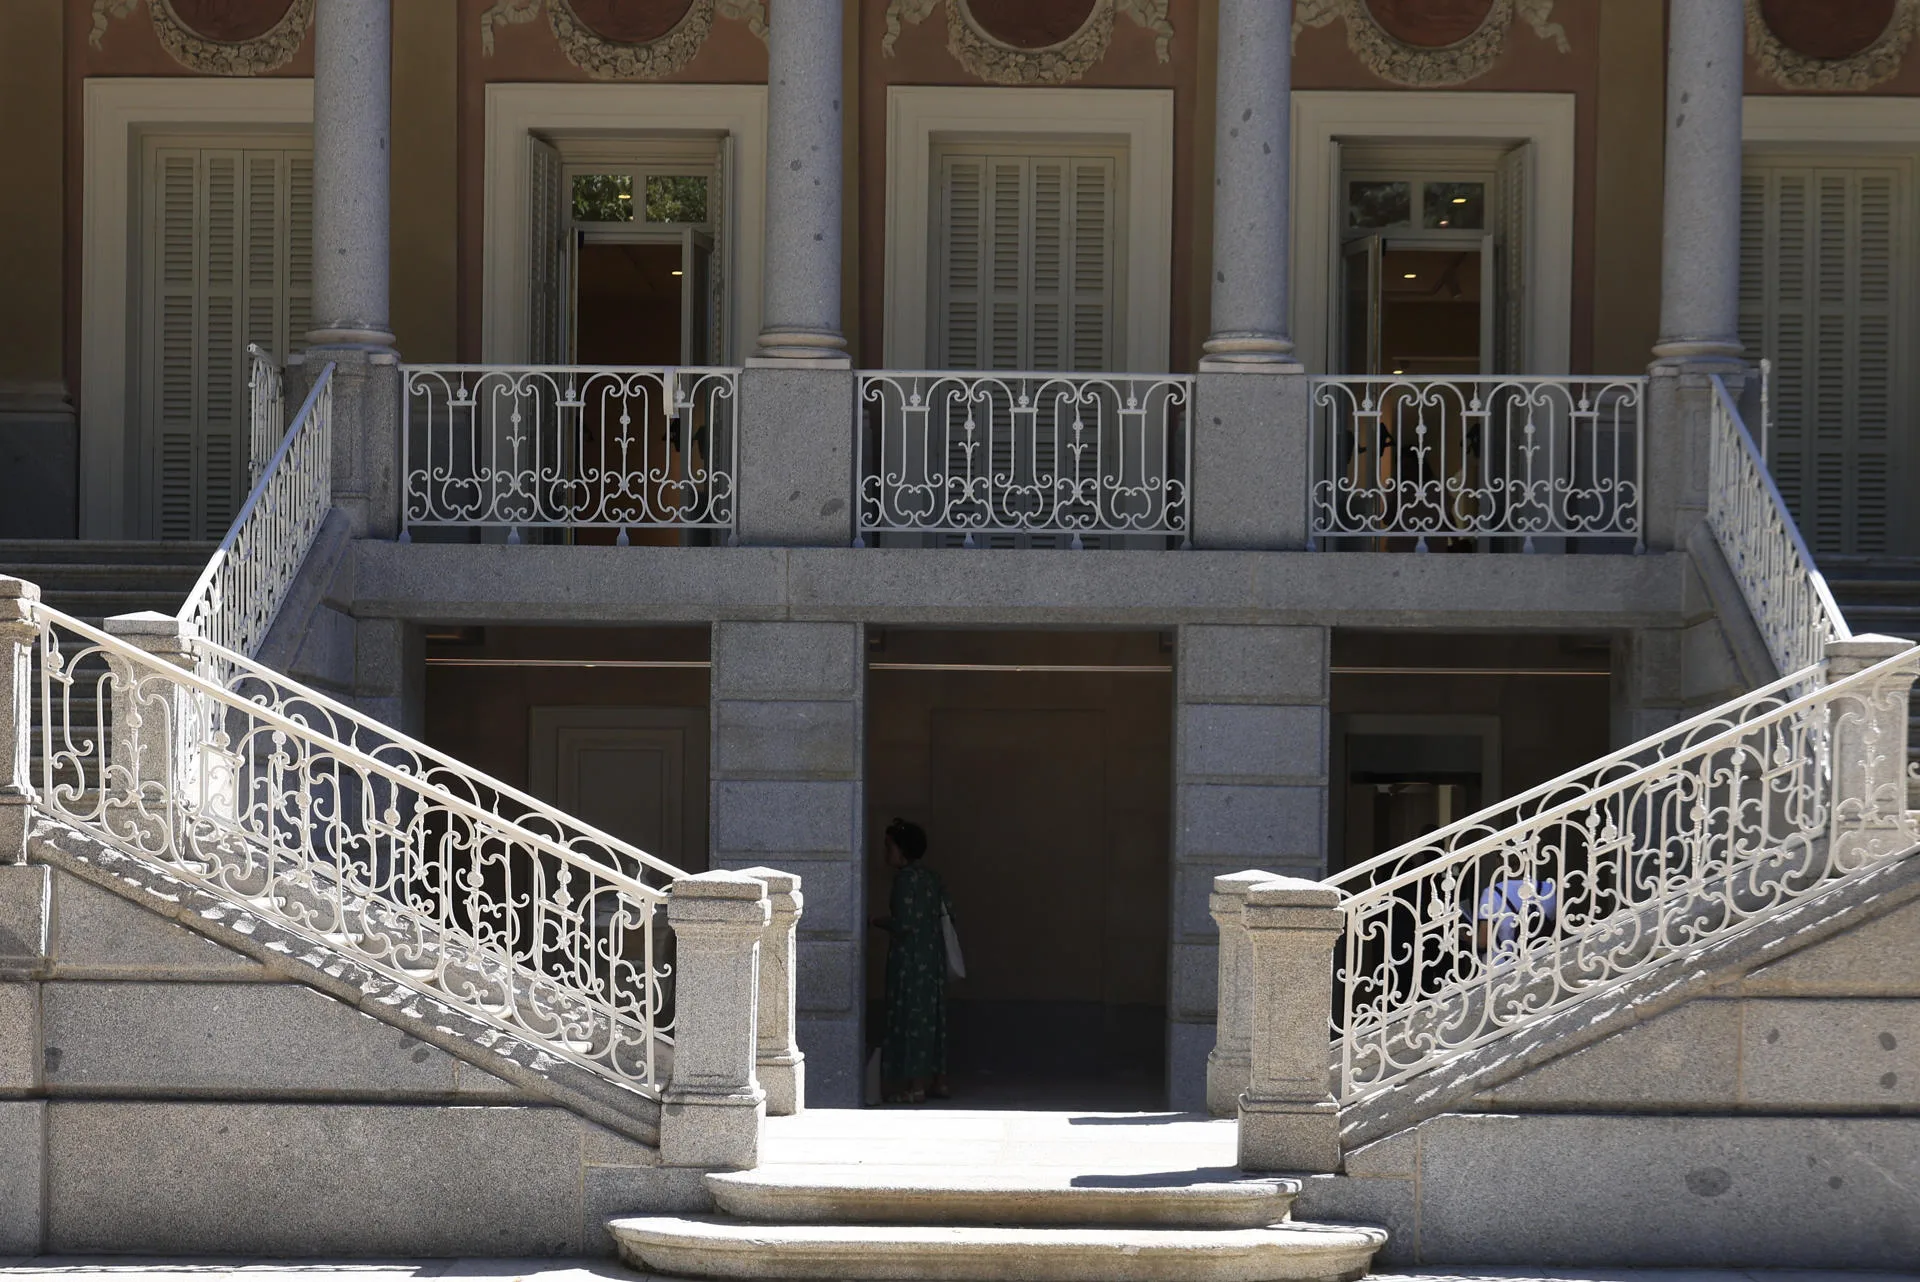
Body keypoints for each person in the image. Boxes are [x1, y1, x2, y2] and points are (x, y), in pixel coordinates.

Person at [869, 817, 953, 1104]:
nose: (886, 852)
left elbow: (904, 923)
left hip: (909, 960)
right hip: (932, 957)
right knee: (933, 1018)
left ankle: (914, 1086)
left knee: (910, 1017)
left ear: (902, 849)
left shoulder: (904, 880)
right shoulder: (933, 878)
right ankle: (939, 1080)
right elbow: (947, 912)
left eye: (889, 846)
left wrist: (875, 921)